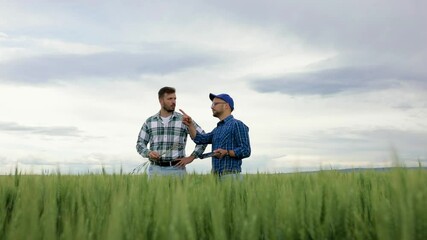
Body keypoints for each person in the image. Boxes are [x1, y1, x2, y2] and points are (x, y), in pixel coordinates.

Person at [136, 87, 206, 177]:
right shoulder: (149, 122)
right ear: (161, 101)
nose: (173, 102)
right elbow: (140, 144)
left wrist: (192, 157)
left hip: (177, 171)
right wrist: (148, 153)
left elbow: (203, 138)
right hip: (155, 171)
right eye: (170, 99)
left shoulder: (184, 120)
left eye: (175, 99)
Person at [180, 93, 251, 178]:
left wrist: (226, 152)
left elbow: (246, 150)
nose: (212, 107)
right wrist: (190, 125)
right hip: (215, 177)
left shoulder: (237, 124)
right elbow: (199, 139)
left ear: (226, 106)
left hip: (231, 176)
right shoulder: (217, 130)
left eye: (215, 104)